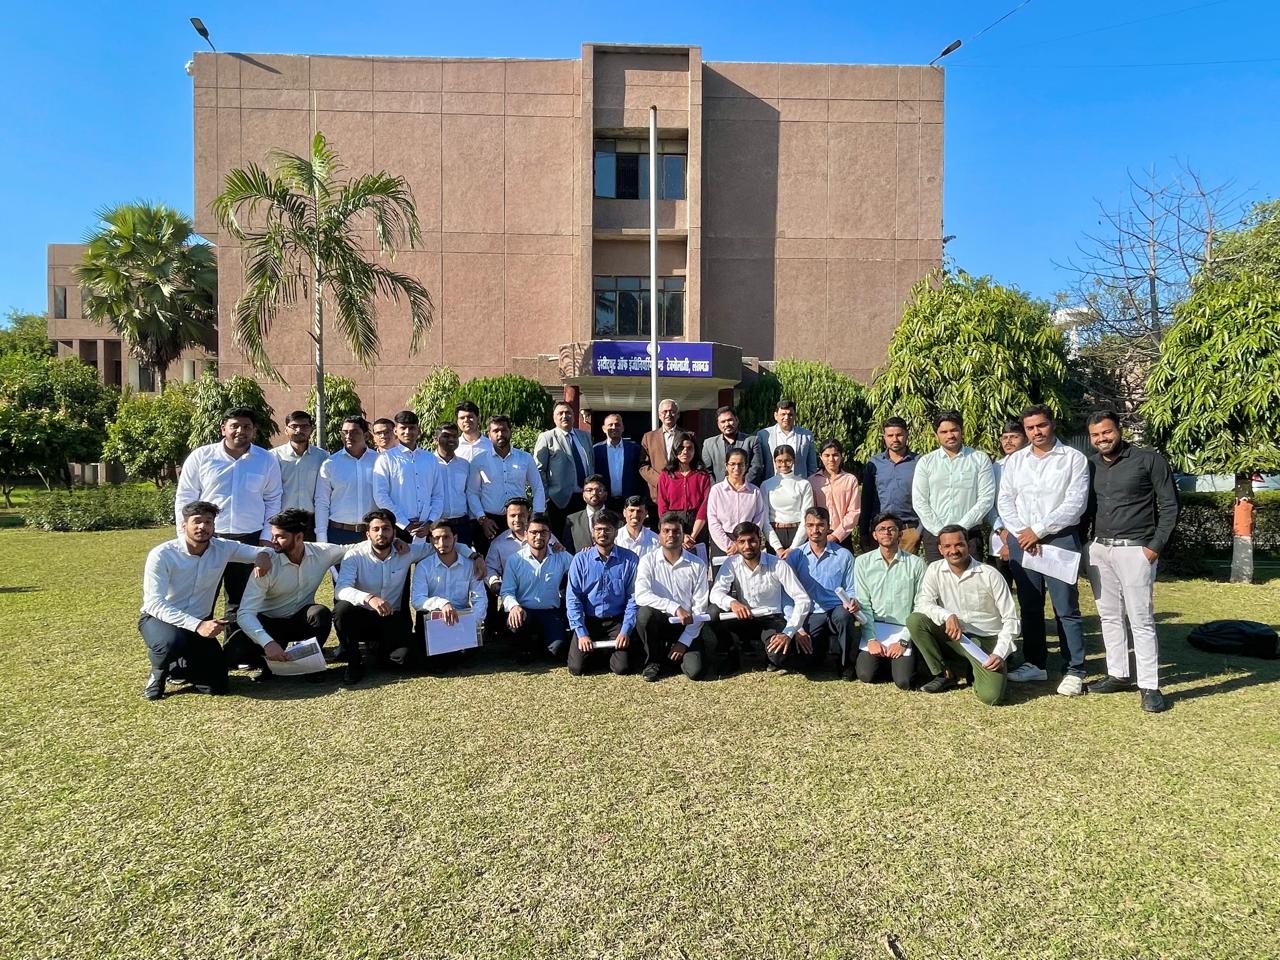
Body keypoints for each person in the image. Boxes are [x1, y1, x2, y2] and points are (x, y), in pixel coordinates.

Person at [1084, 410, 1179, 713]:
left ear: (1119, 430)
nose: (1102, 439)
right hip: (1100, 549)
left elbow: (1169, 505)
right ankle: (1118, 674)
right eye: (1096, 435)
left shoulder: (1149, 460)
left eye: (1107, 432)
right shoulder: (1091, 465)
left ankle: (1149, 685)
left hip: (1137, 550)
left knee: (1141, 619)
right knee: (1109, 615)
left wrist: (1154, 548)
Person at [997, 403, 1091, 695]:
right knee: (1031, 606)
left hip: (1058, 539)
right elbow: (1005, 500)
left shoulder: (1073, 459)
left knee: (1066, 608)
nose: (1036, 432)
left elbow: (1075, 504)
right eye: (1030, 428)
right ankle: (1035, 664)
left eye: (1041, 425)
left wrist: (1037, 531)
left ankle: (1074, 668)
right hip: (1021, 539)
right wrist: (1022, 532)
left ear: (1052, 424)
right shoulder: (1016, 461)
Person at [138, 500, 272, 700]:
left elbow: (260, 552)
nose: (203, 527)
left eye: (208, 522)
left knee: (216, 686)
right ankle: (159, 672)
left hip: (201, 623)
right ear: (184, 526)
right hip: (161, 620)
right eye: (197, 522)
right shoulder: (162, 554)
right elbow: (154, 603)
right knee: (170, 643)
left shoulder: (223, 548)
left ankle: (183, 666)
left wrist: (263, 555)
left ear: (214, 526)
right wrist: (198, 624)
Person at [225, 508, 366, 681]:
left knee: (319, 613)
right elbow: (245, 613)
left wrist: (393, 542)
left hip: (300, 622)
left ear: (299, 537)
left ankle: (310, 663)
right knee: (236, 649)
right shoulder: (266, 564)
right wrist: (268, 643)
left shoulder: (321, 553)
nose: (273, 541)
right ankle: (268, 665)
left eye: (280, 536)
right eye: (272, 535)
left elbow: (353, 549)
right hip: (269, 625)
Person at [174, 406, 283, 623]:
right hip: (208, 539)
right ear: (223, 428)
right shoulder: (201, 457)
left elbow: (273, 499)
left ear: (254, 431)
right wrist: (183, 534)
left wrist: (264, 536)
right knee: (200, 599)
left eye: (246, 427)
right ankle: (202, 650)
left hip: (248, 540)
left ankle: (235, 653)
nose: (240, 431)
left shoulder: (266, 460)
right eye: (234, 426)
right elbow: (185, 498)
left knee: (241, 602)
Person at [907, 525, 1018, 706]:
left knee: (992, 697)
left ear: (968, 545)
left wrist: (999, 653)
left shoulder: (990, 574)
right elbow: (923, 603)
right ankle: (944, 674)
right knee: (916, 620)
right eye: (948, 546)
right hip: (955, 636)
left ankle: (982, 667)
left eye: (959, 545)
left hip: (986, 639)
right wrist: (947, 615)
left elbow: (1011, 620)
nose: (954, 551)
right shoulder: (934, 570)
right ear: (940, 549)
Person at [332, 508, 432, 683]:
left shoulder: (406, 551)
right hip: (361, 617)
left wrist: (474, 555)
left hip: (391, 619)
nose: (381, 533)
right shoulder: (354, 555)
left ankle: (381, 653)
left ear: (394, 532)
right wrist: (369, 598)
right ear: (367, 534)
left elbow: (440, 547)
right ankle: (354, 662)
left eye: (386, 529)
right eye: (376, 529)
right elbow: (341, 589)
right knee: (342, 609)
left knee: (412, 661)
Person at [710, 522, 812, 674]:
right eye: (742, 542)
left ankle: (769, 656)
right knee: (713, 612)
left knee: (777, 656)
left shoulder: (778, 564)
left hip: (771, 619)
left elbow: (803, 599)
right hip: (744, 618)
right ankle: (731, 651)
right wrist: (732, 602)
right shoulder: (731, 563)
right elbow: (715, 594)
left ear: (760, 541)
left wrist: (789, 633)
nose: (747, 546)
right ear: (736, 544)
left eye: (752, 540)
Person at [634, 513, 716, 682]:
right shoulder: (647, 561)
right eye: (666, 531)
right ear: (659, 536)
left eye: (676, 531)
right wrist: (674, 607)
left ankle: (675, 655)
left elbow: (699, 608)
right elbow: (641, 596)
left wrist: (684, 642)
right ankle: (653, 661)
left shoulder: (697, 564)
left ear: (683, 535)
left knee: (696, 672)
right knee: (644, 614)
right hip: (660, 622)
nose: (671, 535)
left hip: (687, 625)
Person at [853, 512, 927, 689]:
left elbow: (921, 604)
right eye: (881, 529)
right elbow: (863, 604)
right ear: (874, 535)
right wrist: (871, 639)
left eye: (891, 529)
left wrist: (903, 641)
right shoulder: (862, 562)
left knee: (904, 682)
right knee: (865, 675)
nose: (886, 533)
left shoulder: (916, 564)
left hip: (903, 629)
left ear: (900, 534)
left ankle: (902, 660)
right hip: (875, 627)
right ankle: (884, 661)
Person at [911, 411, 996, 562]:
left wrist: (960, 529)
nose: (950, 435)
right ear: (936, 434)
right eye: (944, 432)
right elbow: (919, 501)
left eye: (954, 430)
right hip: (934, 535)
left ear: (962, 431)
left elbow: (986, 499)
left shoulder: (979, 459)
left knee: (971, 581)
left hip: (969, 534)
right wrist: (940, 531)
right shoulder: (926, 462)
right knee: (938, 581)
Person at [785, 507, 860, 677]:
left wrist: (853, 600)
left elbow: (851, 587)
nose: (815, 530)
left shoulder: (844, 555)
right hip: (810, 613)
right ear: (805, 527)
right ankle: (824, 649)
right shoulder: (795, 556)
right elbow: (788, 594)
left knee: (844, 616)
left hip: (836, 608)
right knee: (805, 664)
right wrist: (797, 627)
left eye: (820, 525)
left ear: (828, 526)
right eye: (810, 525)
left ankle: (846, 663)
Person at [565, 509, 639, 676]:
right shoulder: (580, 560)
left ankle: (606, 652)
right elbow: (573, 599)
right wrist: (582, 633)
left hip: (616, 622)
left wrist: (625, 630)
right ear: (592, 532)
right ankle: (596, 651)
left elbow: (633, 599)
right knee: (576, 668)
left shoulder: (630, 559)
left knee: (623, 668)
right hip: (589, 621)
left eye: (607, 529)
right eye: (598, 529)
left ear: (615, 532)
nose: (602, 533)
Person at [410, 520, 488, 670]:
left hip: (461, 619)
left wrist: (473, 622)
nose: (442, 542)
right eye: (437, 538)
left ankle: (450, 654)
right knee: (435, 662)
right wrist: (441, 603)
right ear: (431, 540)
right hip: (433, 619)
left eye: (446, 537)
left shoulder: (470, 565)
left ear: (455, 539)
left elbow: (480, 598)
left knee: (470, 647)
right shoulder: (423, 566)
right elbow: (417, 600)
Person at [467, 415, 546, 553]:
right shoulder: (479, 461)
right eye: (495, 431)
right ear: (488, 434)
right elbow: (472, 493)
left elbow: (538, 488)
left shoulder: (525, 458)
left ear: (511, 431)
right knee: (488, 566)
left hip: (520, 520)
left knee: (522, 561)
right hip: (490, 523)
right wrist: (483, 520)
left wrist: (536, 517)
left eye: (504, 430)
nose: (500, 434)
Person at [500, 512, 573, 661]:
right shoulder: (515, 560)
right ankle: (525, 646)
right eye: (534, 532)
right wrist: (514, 607)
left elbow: (582, 569)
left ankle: (539, 645)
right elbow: (507, 591)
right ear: (526, 534)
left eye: (543, 532)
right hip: (524, 612)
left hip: (550, 612)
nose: (538, 537)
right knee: (516, 625)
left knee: (557, 651)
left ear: (550, 534)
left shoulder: (562, 556)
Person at [373, 409, 442, 541]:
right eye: (403, 428)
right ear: (395, 431)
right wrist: (405, 524)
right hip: (397, 528)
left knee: (426, 562)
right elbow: (380, 496)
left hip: (426, 528)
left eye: (412, 428)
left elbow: (438, 495)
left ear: (418, 431)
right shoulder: (386, 459)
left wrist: (429, 522)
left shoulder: (430, 459)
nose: (407, 432)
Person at [860, 416, 921, 554]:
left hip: (908, 531)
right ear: (884, 437)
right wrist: (863, 532)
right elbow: (866, 499)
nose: (895, 439)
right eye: (890, 435)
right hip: (880, 530)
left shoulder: (919, 462)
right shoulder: (874, 463)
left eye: (899, 435)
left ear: (906, 435)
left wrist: (919, 531)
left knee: (907, 574)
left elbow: (927, 497)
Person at [314, 416, 377, 546]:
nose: (348, 436)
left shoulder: (380, 461)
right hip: (338, 534)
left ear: (366, 436)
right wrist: (321, 537)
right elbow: (322, 502)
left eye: (354, 432)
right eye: (345, 432)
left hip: (371, 534)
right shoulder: (330, 464)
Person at [534, 400, 594, 536]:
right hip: (559, 499)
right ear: (554, 418)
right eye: (560, 413)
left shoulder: (585, 436)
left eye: (567, 412)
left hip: (585, 498)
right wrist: (546, 495)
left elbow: (591, 464)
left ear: (574, 415)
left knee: (582, 537)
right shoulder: (546, 437)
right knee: (560, 538)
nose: (564, 416)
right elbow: (539, 469)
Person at [987, 420, 1029, 583]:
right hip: (999, 537)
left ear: (1025, 439)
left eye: (1014, 437)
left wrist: (1015, 538)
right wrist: (1002, 532)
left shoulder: (1031, 466)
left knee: (1029, 593)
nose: (1008, 441)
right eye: (1005, 437)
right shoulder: (996, 467)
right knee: (999, 592)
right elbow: (989, 503)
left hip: (1028, 537)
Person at [271, 409, 328, 532]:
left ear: (311, 429)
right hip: (283, 519)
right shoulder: (274, 456)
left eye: (304, 426)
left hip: (312, 520)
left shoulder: (323, 457)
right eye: (294, 426)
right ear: (286, 430)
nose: (299, 430)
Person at [707, 448, 768, 560]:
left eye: (740, 464)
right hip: (722, 542)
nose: (736, 468)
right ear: (726, 465)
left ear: (746, 466)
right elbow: (712, 520)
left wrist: (742, 543)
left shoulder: (754, 491)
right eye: (732, 464)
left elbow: (759, 518)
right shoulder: (717, 490)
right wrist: (729, 545)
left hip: (748, 543)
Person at [657, 431, 712, 551]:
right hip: (672, 524)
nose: (685, 452)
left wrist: (692, 536)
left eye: (689, 448)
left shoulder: (702, 475)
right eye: (681, 448)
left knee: (698, 564)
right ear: (675, 450)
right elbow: (662, 506)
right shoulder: (666, 475)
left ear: (694, 451)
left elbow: (705, 506)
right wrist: (680, 535)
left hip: (697, 523)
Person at [761, 445, 814, 558]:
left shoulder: (803, 484)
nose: (783, 464)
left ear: (794, 460)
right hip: (775, 533)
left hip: (798, 533)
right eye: (779, 461)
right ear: (774, 461)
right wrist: (777, 547)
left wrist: (794, 547)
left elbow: (807, 517)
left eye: (787, 460)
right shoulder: (766, 485)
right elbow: (764, 519)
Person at [809, 440, 861, 550]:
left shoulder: (850, 480)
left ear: (841, 456)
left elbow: (854, 512)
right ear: (821, 457)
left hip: (843, 536)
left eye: (835, 455)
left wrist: (836, 535)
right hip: (817, 535)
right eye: (827, 455)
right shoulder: (812, 481)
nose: (831, 459)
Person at [593, 412, 646, 512]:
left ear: (622, 428)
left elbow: (640, 474)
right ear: (604, 429)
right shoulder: (596, 450)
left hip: (629, 501)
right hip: (604, 501)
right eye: (610, 425)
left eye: (617, 424)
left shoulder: (634, 448)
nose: (614, 427)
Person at [701, 405, 764, 485]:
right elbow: (706, 471)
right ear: (718, 424)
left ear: (737, 420)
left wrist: (742, 485)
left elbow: (756, 467)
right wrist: (718, 489)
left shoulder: (752, 441)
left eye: (730, 420)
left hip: (746, 490)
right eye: (723, 422)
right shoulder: (709, 444)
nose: (727, 424)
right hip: (720, 493)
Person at [433, 423, 473, 546]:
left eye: (454, 436)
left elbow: (470, 493)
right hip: (436, 524)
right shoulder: (427, 463)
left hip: (461, 524)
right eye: (446, 436)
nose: (451, 439)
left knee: (464, 562)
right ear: (436, 440)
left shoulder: (464, 465)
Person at [757, 399, 817, 479]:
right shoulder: (763, 435)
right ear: (776, 416)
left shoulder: (807, 436)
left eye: (790, 414)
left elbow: (812, 466)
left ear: (795, 415)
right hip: (772, 486)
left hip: (798, 485)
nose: (786, 417)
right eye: (783, 414)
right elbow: (760, 465)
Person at [639, 398, 682, 503]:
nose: (668, 414)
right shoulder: (649, 437)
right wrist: (661, 481)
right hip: (657, 495)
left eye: (672, 411)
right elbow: (643, 465)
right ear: (659, 415)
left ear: (677, 414)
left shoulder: (688, 435)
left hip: (681, 492)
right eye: (665, 411)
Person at [563, 474, 612, 552]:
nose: (594, 493)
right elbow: (568, 550)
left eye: (599, 490)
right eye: (589, 490)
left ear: (606, 494)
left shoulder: (618, 519)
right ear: (583, 495)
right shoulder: (572, 520)